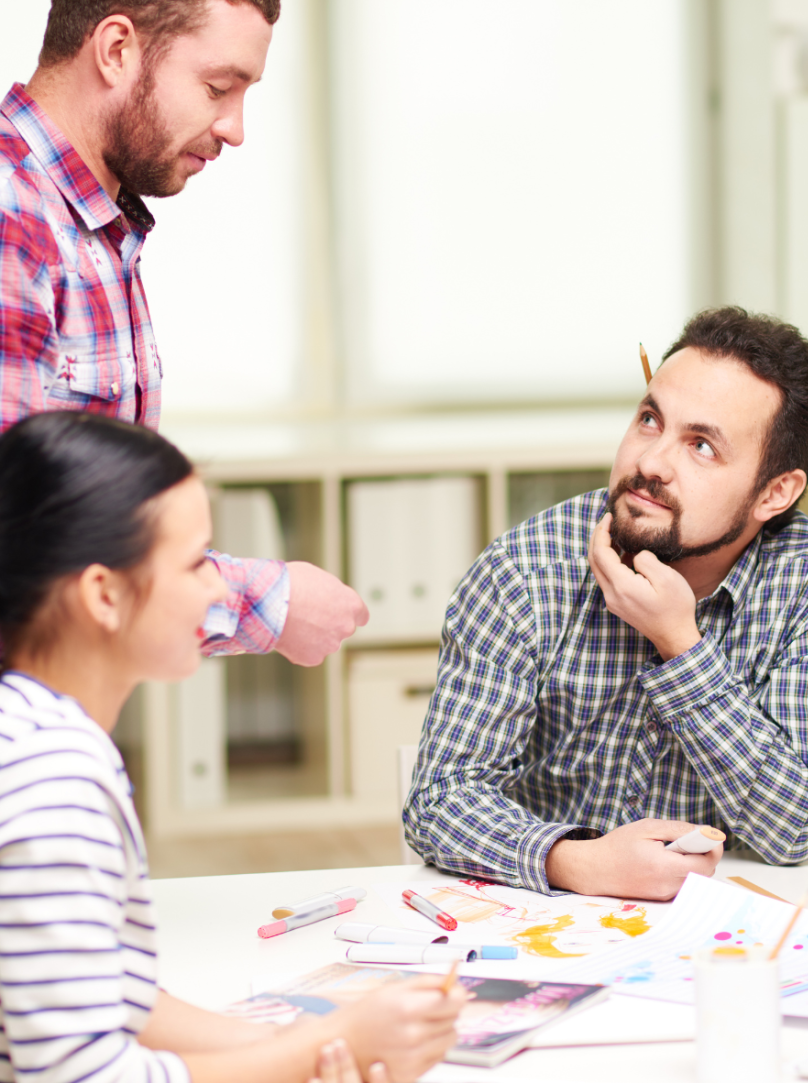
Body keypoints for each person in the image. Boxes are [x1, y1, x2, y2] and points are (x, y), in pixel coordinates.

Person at [0, 411, 465, 1083]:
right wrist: (326, 1051)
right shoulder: (54, 780)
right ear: (102, 595)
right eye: (196, 564)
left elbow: (111, 996)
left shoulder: (38, 733)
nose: (221, 589)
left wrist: (302, 1032)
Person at [404, 306, 808, 899]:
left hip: (721, 927)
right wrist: (574, 861)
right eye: (650, 420)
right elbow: (439, 800)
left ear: (775, 492)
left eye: (702, 446)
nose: (650, 463)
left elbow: (795, 826)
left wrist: (681, 646)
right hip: (542, 916)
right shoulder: (527, 569)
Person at [0, 0, 367, 668]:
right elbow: (17, 541)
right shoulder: (13, 222)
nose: (235, 128)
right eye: (217, 87)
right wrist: (271, 603)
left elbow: (100, 524)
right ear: (116, 50)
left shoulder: (92, 229)